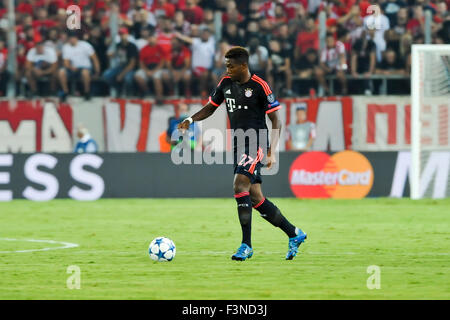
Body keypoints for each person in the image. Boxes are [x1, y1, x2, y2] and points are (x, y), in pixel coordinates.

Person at [177, 47, 307, 261]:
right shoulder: (225, 84)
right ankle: (294, 233)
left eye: (230, 66)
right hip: (238, 144)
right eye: (226, 65)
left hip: (256, 142)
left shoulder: (260, 86)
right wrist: (190, 120)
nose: (227, 69)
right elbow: (210, 108)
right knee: (256, 198)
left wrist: (271, 151)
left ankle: (246, 245)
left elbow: (276, 120)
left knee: (239, 185)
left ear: (243, 66)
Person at [58, 31, 101, 102]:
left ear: (76, 38)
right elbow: (66, 62)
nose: (72, 40)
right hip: (72, 68)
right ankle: (65, 92)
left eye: (73, 38)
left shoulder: (85, 45)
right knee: (61, 72)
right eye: (70, 38)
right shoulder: (66, 47)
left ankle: (87, 92)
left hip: (85, 67)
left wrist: (97, 71)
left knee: (85, 73)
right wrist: (71, 67)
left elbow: (94, 58)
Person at [102, 27, 138, 97]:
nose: (122, 36)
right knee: (106, 75)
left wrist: (121, 74)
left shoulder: (132, 46)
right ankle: (119, 89)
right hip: (121, 66)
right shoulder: (119, 45)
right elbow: (116, 54)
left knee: (127, 78)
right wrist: (111, 55)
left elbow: (132, 64)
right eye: (121, 34)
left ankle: (131, 93)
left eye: (124, 34)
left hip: (130, 68)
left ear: (127, 35)